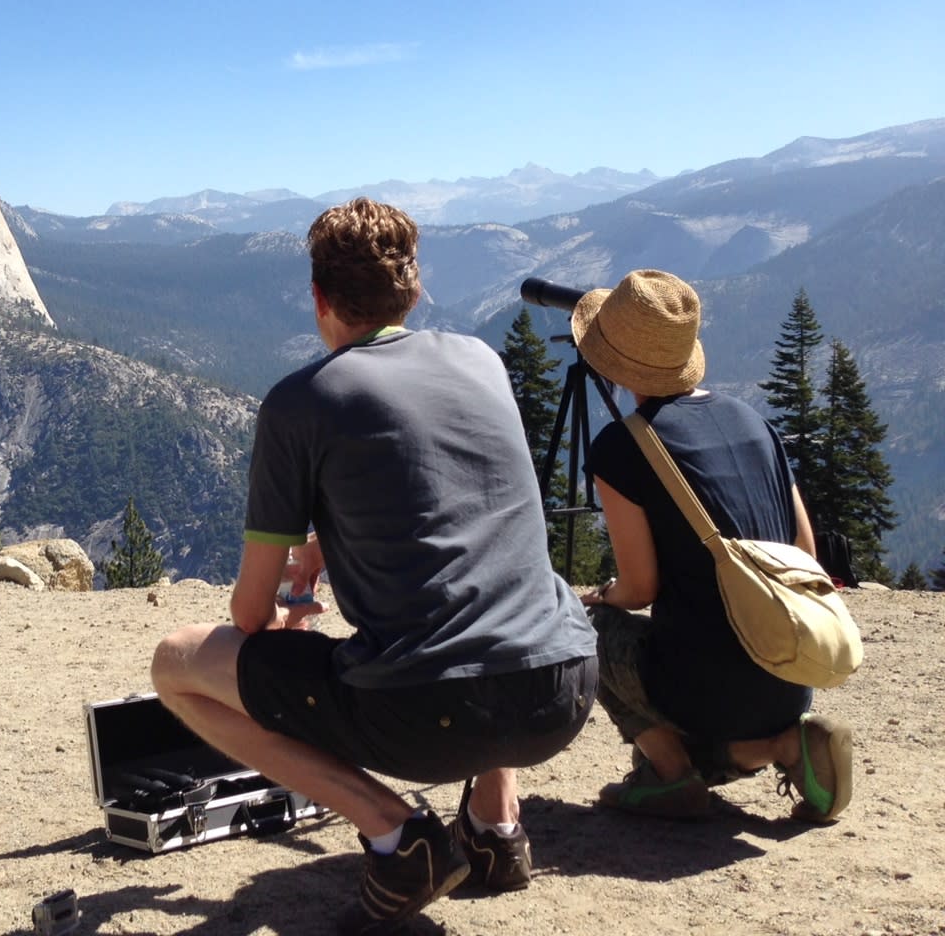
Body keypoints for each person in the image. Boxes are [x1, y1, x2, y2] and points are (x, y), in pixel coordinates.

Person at [151, 199, 598, 935]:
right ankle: (495, 830)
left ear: (320, 300)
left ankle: (397, 835)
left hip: (428, 713)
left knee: (174, 663)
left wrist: (290, 615)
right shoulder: (481, 360)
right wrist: (330, 543)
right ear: (414, 291)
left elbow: (248, 618)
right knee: (488, 593)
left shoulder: (302, 402)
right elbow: (450, 514)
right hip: (563, 688)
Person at [573, 269, 853, 822]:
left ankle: (671, 773)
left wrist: (600, 596)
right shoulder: (754, 421)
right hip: (789, 667)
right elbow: (803, 546)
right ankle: (781, 746)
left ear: (613, 360)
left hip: (701, 689)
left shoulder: (622, 447)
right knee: (712, 688)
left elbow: (639, 589)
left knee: (581, 627)